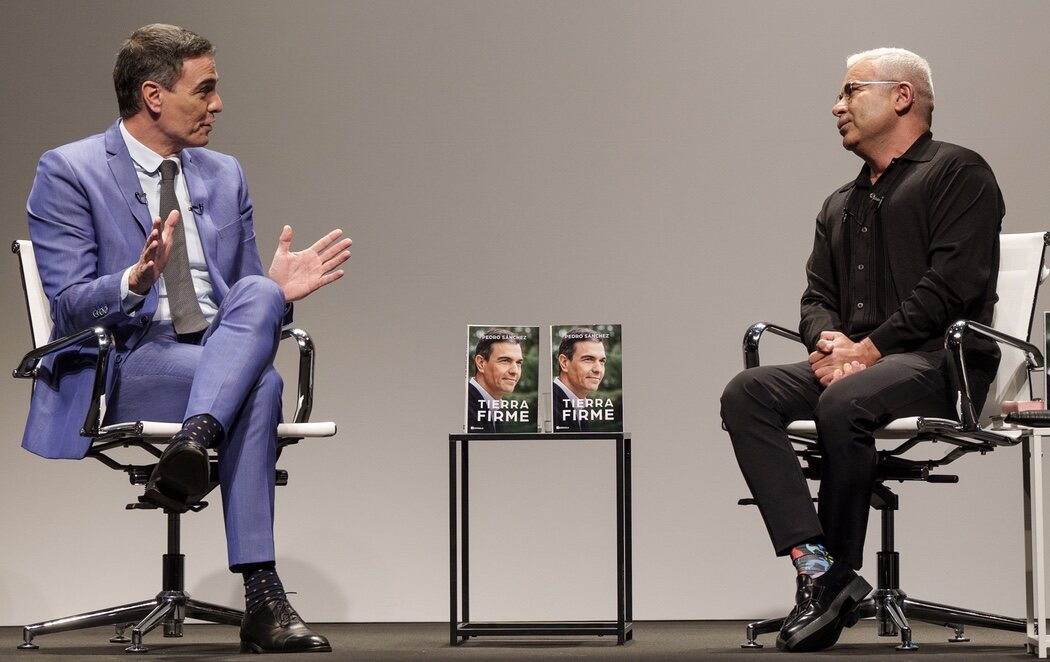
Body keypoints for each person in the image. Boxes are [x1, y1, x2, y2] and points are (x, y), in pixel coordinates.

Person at [23, 24, 352, 654]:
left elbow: (247, 310)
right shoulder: (70, 170)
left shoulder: (224, 174)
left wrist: (274, 292)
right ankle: (264, 595)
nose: (217, 105)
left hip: (212, 356)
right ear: (153, 95)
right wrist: (134, 278)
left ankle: (196, 442)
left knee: (260, 297)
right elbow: (65, 311)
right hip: (125, 361)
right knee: (265, 385)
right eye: (204, 90)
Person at [720, 47, 1003, 653]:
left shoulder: (959, 173)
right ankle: (820, 568)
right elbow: (816, 296)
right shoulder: (840, 203)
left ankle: (833, 584)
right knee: (748, 392)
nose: (836, 105)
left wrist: (865, 351)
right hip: (864, 365)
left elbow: (952, 288)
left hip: (942, 363)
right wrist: (829, 342)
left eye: (850, 91)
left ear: (902, 96)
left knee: (845, 399)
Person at [467, 328, 524, 432]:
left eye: (519, 363)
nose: (515, 371)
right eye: (505, 361)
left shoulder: (496, 407)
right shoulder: (464, 406)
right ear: (481, 363)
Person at [553, 328, 607, 432]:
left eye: (602, 361)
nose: (598, 369)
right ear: (564, 363)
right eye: (588, 359)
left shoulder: (578, 406)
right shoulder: (552, 409)